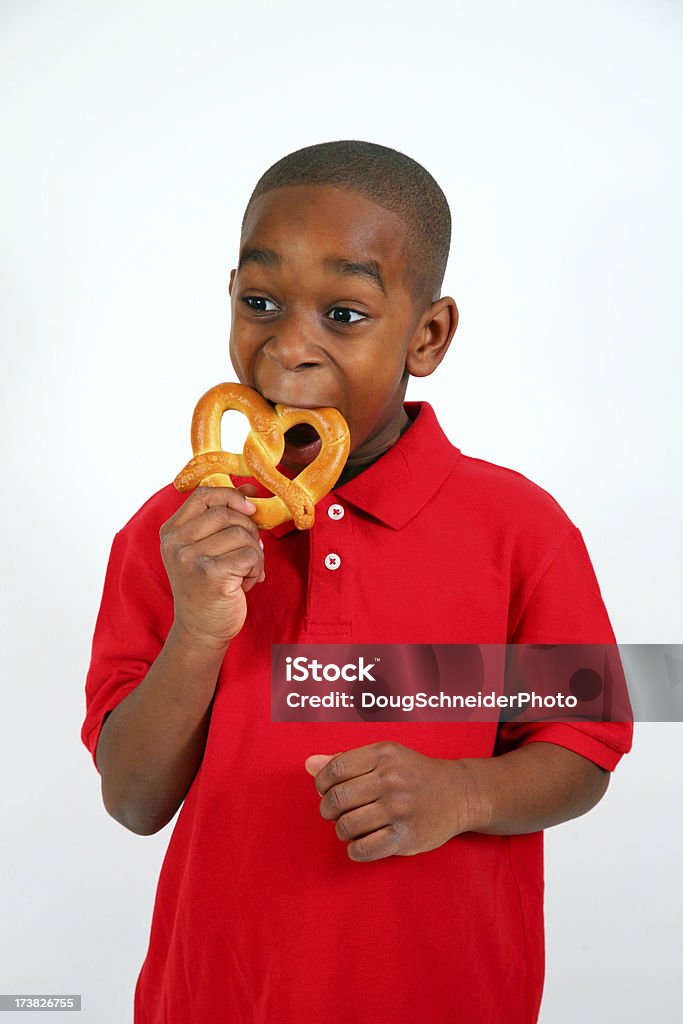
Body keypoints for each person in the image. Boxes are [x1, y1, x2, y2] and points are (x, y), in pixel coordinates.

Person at [81, 141, 633, 1024]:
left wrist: (464, 793)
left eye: (344, 313)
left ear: (427, 334)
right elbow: (134, 799)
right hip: (213, 997)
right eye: (260, 302)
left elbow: (588, 746)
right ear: (228, 297)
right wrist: (198, 630)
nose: (289, 345)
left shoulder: (520, 529)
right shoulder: (174, 535)